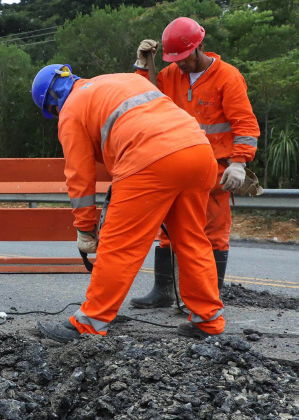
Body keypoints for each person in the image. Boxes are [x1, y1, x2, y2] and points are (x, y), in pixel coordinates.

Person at [31, 65, 224, 342]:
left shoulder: (71, 110)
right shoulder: (119, 79)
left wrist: (85, 228)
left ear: (52, 102)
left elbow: (79, 177)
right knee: (192, 239)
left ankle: (90, 322)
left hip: (150, 158)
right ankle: (208, 320)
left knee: (118, 245)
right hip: (198, 152)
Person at [130, 18, 260, 308]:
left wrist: (238, 163)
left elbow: (245, 124)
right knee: (168, 231)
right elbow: (139, 99)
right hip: (176, 165)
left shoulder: (228, 76)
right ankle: (163, 291)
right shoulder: (168, 75)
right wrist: (141, 65)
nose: (180, 64)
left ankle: (207, 300)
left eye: (184, 57)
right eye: (173, 59)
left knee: (213, 234)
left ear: (198, 47)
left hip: (215, 169)